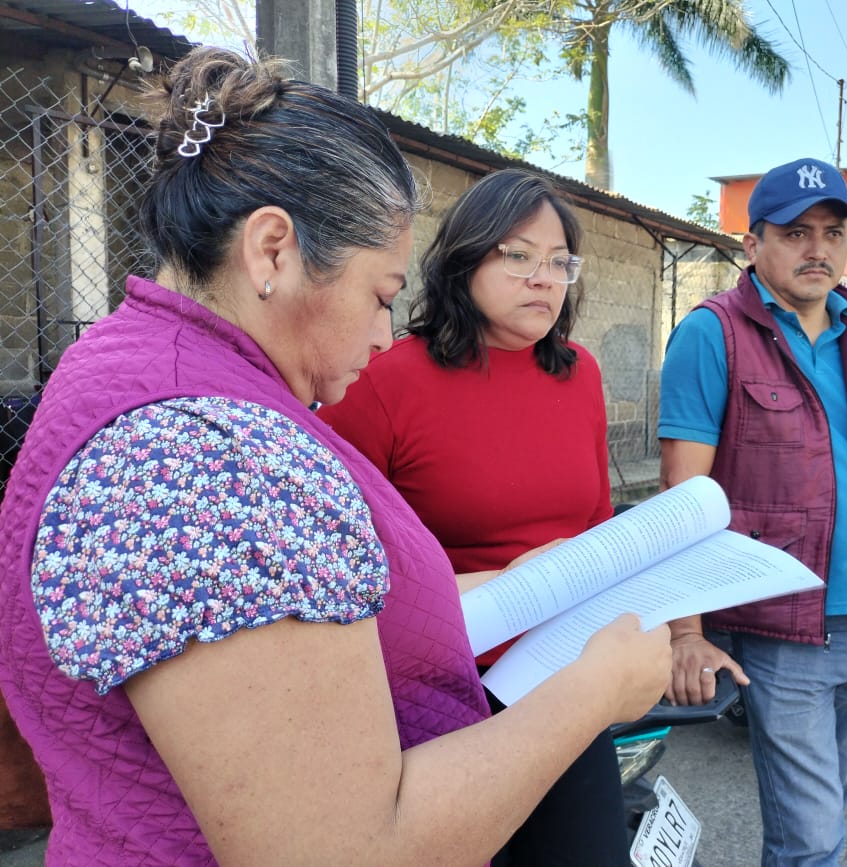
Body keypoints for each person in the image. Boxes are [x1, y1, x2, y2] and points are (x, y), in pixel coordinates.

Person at [0, 47, 671, 866]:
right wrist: (596, 689)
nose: (385, 334)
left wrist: (503, 582)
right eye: (380, 297)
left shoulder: (155, 372)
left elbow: (307, 611)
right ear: (272, 250)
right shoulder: (204, 457)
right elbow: (345, 848)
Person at [318, 168, 627, 867]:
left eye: (558, 262)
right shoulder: (386, 378)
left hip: (565, 672)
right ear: (466, 259)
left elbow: (599, 523)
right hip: (441, 688)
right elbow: (339, 553)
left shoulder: (580, 372)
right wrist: (498, 580)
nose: (543, 278)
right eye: (517, 256)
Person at [657, 156, 847, 867]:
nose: (819, 248)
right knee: (812, 838)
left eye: (833, 232)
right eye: (795, 232)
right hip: (786, 634)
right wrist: (684, 631)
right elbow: (682, 498)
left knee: (830, 805)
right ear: (753, 246)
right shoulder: (712, 333)